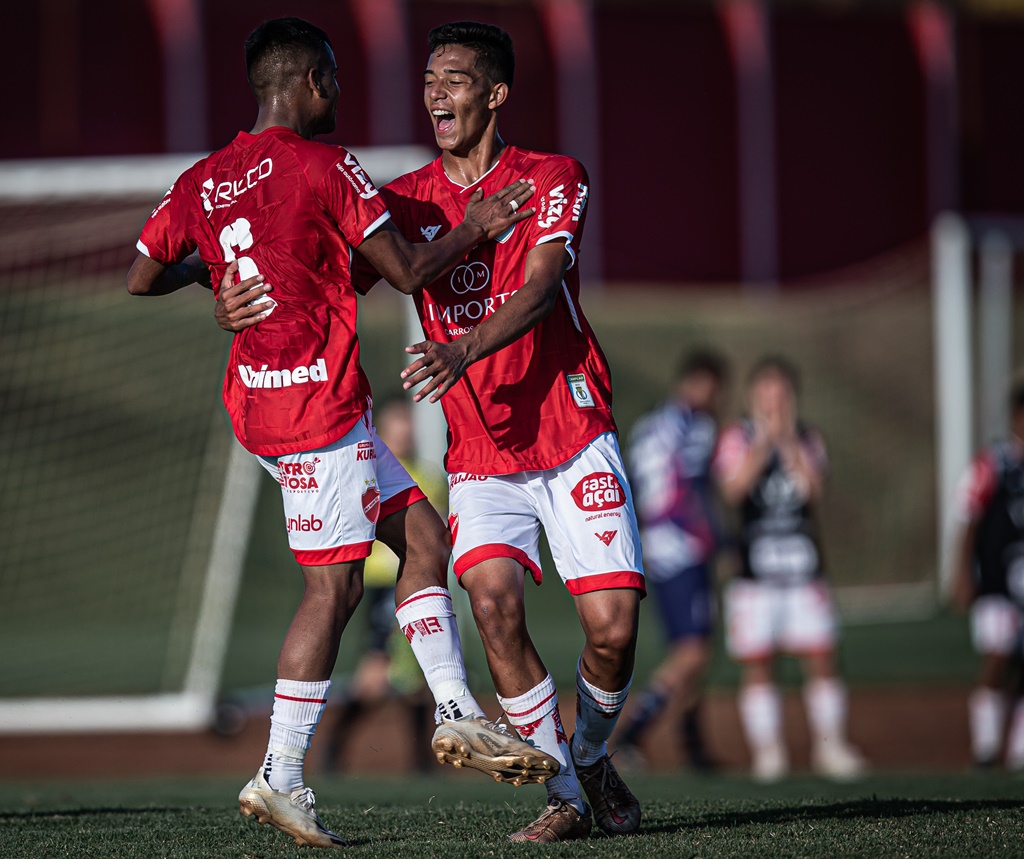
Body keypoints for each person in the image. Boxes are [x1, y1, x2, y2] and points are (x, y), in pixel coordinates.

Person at [126, 17, 553, 849]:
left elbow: (142, 273)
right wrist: (479, 223)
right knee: (336, 589)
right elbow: (409, 270)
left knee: (425, 539)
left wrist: (213, 281)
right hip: (312, 412)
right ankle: (280, 773)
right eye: (337, 81)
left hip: (267, 404)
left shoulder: (203, 179)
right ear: (315, 80)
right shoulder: (328, 166)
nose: (342, 97)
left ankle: (458, 710)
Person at [352, 21, 646, 844]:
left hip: (574, 429)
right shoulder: (405, 201)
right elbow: (333, 276)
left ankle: (587, 754)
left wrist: (462, 347)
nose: (435, 91)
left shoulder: (553, 176)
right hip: (482, 453)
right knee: (490, 601)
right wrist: (232, 295)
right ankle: (563, 793)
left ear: (495, 93)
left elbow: (545, 288)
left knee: (614, 631)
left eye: (454, 77)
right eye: (429, 77)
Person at [711, 356, 866, 782]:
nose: (774, 404)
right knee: (759, 663)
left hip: (803, 571)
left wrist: (790, 443)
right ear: (752, 398)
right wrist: (764, 442)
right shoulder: (736, 438)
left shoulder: (808, 438)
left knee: (821, 657)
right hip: (755, 576)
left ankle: (831, 747)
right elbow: (733, 488)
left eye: (781, 395)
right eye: (766, 395)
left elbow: (816, 490)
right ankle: (769, 753)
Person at [616, 348, 729, 772]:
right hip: (680, 545)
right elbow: (684, 490)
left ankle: (693, 744)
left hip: (664, 545)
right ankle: (631, 735)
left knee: (694, 647)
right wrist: (718, 538)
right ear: (698, 383)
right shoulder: (690, 427)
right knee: (693, 652)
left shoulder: (653, 425)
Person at [322, 399, 440, 774]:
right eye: (396, 427)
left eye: (408, 427)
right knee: (375, 675)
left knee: (418, 672)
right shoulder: (367, 471)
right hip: (382, 588)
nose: (404, 434)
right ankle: (334, 745)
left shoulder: (428, 477)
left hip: (418, 581)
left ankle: (422, 762)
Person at [951, 376, 1024, 771]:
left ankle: (1018, 751)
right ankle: (986, 745)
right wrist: (962, 572)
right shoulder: (993, 464)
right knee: (997, 656)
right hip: (997, 582)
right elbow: (968, 518)